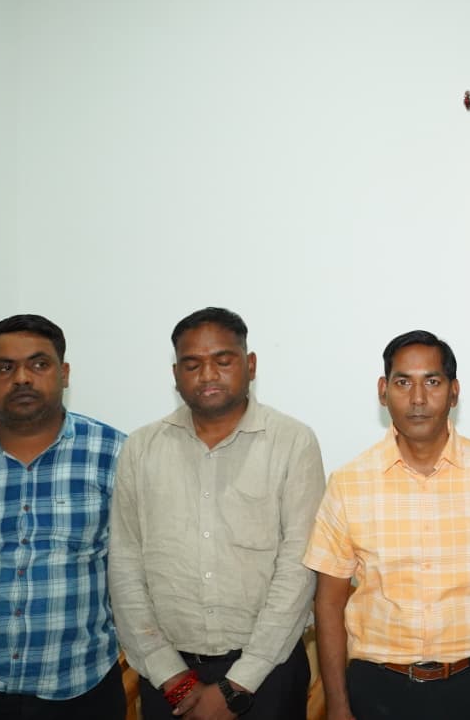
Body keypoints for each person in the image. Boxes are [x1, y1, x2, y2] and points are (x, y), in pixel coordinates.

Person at [304, 330, 470, 720]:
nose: (418, 398)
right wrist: (337, 705)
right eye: (403, 383)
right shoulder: (348, 483)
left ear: (454, 392)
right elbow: (329, 602)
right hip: (378, 687)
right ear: (383, 391)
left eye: (432, 382)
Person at [110, 307, 325, 720]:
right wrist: (171, 676)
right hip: (169, 676)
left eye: (223, 361)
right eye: (192, 364)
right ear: (176, 374)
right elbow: (125, 565)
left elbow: (298, 567)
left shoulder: (292, 442)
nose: (208, 375)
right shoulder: (141, 448)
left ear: (250, 364)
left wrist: (239, 682)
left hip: (269, 673)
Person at [0, 314, 127, 720]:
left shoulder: (116, 455)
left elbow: (140, 567)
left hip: (81, 688)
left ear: (64, 373)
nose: (21, 378)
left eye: (38, 364)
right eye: (5, 367)